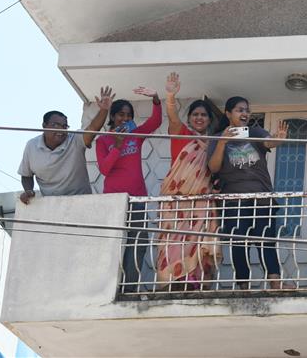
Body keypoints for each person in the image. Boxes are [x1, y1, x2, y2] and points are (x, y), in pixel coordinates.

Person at [206, 96, 294, 290]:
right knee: (239, 244)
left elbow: (269, 143)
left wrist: (278, 139)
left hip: (261, 198)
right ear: (228, 114)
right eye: (239, 110)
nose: (244, 113)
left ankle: (275, 282)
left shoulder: (255, 132)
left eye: (246, 110)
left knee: (266, 241)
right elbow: (213, 167)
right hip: (234, 201)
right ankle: (243, 286)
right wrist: (222, 142)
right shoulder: (217, 138)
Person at [155, 72, 221, 289]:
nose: (199, 118)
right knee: (175, 243)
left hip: (202, 203)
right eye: (195, 114)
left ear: (210, 119)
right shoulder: (181, 133)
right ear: (190, 118)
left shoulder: (213, 144)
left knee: (198, 241)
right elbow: (173, 116)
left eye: (204, 115)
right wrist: (170, 96)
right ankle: (174, 281)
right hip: (176, 203)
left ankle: (196, 282)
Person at [95, 87, 163, 292]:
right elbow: (105, 169)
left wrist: (156, 100)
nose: (124, 119)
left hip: (137, 197)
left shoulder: (136, 134)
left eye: (128, 115)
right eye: (120, 115)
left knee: (138, 241)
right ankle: (108, 287)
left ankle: (129, 287)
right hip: (114, 199)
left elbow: (155, 123)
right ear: (113, 117)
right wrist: (117, 145)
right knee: (112, 242)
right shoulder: (103, 140)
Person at [18, 86, 114, 204]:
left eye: (64, 126)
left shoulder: (75, 139)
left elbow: (93, 128)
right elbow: (26, 174)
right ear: (44, 125)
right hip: (50, 206)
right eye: (55, 125)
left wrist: (104, 110)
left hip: (81, 203)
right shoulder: (31, 146)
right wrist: (28, 190)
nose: (61, 130)